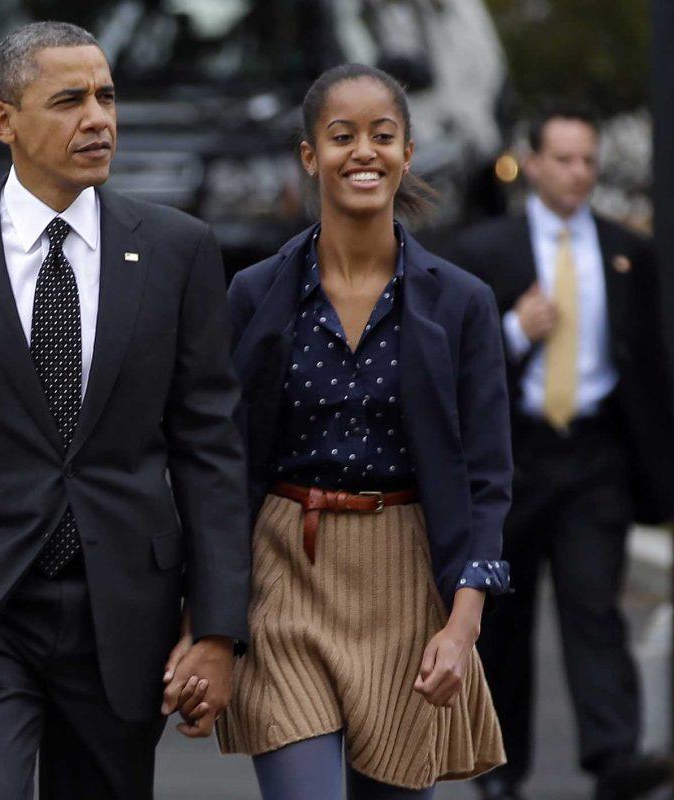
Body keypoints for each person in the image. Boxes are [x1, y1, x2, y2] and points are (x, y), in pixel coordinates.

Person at [0, 20, 251, 800]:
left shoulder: (176, 250)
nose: (98, 119)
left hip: (124, 612)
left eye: (106, 96)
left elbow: (211, 447)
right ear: (5, 122)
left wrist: (220, 626)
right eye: (68, 101)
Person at [217, 63, 511, 800]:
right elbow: (220, 459)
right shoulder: (254, 295)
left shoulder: (462, 303)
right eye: (341, 136)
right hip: (285, 568)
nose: (363, 153)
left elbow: (487, 475)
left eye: (382, 136)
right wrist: (207, 616)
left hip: (408, 581)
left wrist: (464, 621)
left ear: (407, 152)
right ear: (311, 155)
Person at [448, 104, 674, 800]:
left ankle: (613, 757)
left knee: (592, 604)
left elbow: (647, 363)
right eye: (565, 159)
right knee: (505, 622)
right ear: (536, 164)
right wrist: (515, 331)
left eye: (588, 161)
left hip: (594, 456)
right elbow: (455, 362)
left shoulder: (626, 249)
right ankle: (501, 771)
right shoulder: (488, 251)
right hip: (513, 458)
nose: (579, 173)